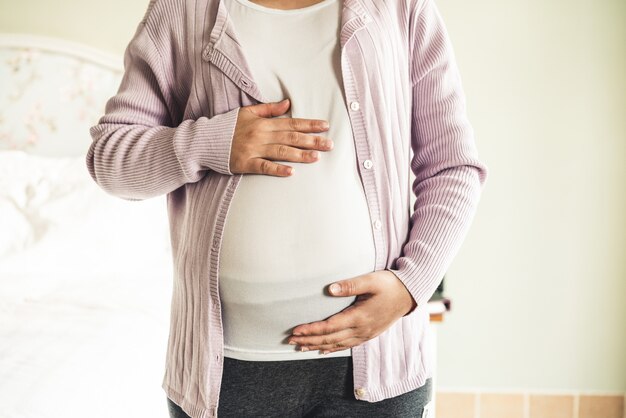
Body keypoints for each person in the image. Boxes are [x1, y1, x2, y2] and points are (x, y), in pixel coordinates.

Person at [86, 0, 489, 416]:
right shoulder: (182, 9)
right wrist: (212, 143)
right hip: (225, 376)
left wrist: (410, 287)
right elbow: (110, 160)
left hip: (376, 364)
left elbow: (453, 166)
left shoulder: (402, 8)